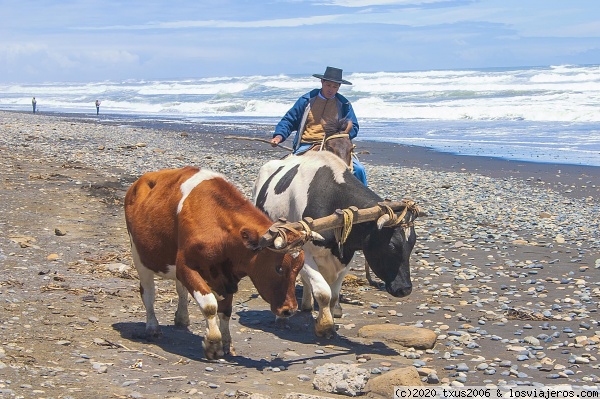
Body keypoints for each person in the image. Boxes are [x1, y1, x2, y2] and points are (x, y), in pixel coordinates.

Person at [270, 66, 367, 185]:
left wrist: (342, 136)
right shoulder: (307, 100)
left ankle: (365, 201)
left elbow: (354, 126)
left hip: (334, 145)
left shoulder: (343, 104)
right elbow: (289, 120)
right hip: (307, 144)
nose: (331, 89)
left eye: (335, 87)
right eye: (328, 85)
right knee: (290, 169)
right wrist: (279, 136)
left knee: (359, 170)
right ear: (322, 82)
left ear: (339, 87)